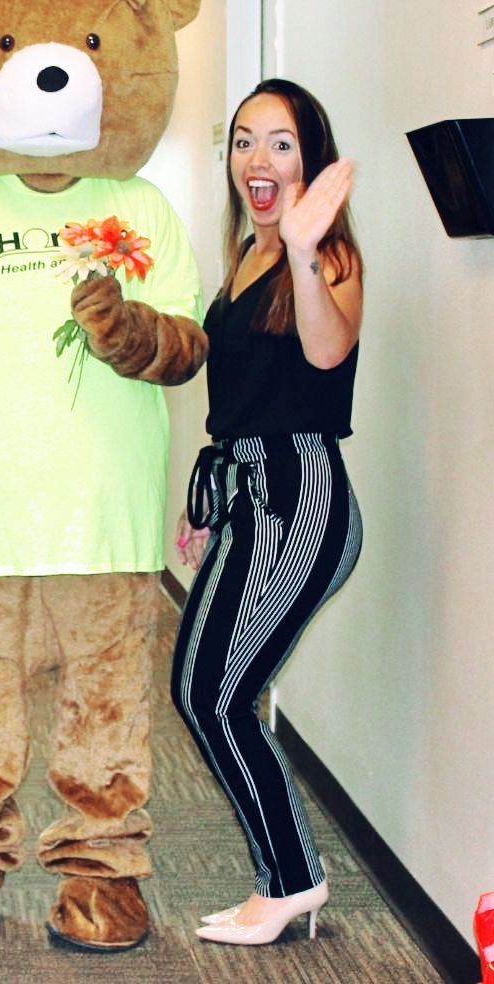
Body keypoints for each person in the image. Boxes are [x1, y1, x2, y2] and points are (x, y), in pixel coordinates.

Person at [170, 78, 364, 946]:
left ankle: (290, 884)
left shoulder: (327, 259)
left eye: (281, 142)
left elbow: (325, 354)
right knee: (203, 688)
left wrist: (300, 246)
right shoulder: (244, 254)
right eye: (245, 140)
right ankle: (287, 878)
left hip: (303, 494)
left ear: (310, 160)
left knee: (215, 694)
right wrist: (210, 505)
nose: (259, 158)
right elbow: (244, 394)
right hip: (250, 493)